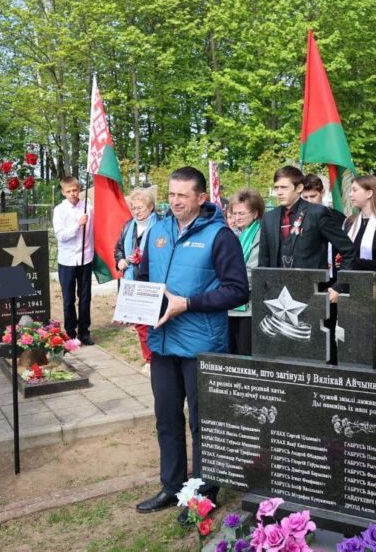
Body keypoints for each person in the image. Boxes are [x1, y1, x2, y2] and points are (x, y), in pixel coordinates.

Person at [134, 167, 248, 521]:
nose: (175, 201)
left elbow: (238, 290)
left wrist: (188, 303)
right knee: (167, 419)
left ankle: (202, 493)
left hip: (202, 344)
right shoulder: (158, 230)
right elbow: (144, 278)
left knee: (203, 424)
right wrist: (135, 303)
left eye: (183, 195)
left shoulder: (220, 236)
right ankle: (172, 485)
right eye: (171, 194)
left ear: (201, 197)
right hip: (163, 343)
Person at [258, 166, 356, 304]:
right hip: (277, 296)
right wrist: (263, 294)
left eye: (284, 187)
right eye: (276, 187)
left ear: (299, 188)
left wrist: (339, 286)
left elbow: (349, 250)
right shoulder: (269, 217)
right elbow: (264, 260)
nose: (279, 192)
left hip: (311, 294)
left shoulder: (317, 213)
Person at [343, 175, 376, 369]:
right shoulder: (351, 223)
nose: (351, 194)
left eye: (355, 190)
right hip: (353, 291)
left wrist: (356, 262)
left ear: (370, 193)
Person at [115, 187, 160, 364]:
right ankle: (148, 359)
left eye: (140, 208)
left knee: (154, 322)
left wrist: (146, 258)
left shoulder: (161, 225)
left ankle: (158, 358)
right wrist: (120, 260)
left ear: (150, 207)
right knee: (140, 323)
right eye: (133, 208)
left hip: (153, 280)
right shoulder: (128, 225)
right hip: (132, 279)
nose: (136, 211)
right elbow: (119, 248)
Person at [52, 176, 94, 345]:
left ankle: (84, 332)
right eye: (68, 191)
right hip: (67, 260)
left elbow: (93, 232)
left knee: (85, 297)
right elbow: (61, 236)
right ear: (63, 192)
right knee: (69, 299)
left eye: (74, 190)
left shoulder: (88, 208)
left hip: (85, 258)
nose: (72, 194)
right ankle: (71, 332)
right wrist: (78, 225)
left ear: (79, 189)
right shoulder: (59, 210)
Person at [226, 189, 265, 355]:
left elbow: (252, 270)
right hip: (231, 302)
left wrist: (231, 290)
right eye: (234, 213)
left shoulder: (260, 234)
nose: (237, 217)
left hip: (248, 305)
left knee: (245, 353)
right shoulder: (239, 234)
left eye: (242, 213)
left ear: (255, 213)